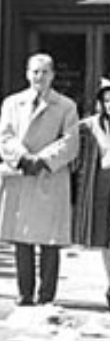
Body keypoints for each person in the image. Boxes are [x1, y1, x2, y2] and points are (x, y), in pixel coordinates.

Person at [0, 53, 79, 307]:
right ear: (28, 74)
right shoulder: (12, 103)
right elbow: (3, 135)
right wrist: (22, 158)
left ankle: (47, 294)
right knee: (22, 238)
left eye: (45, 72)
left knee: (50, 240)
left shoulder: (66, 106)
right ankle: (24, 292)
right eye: (35, 72)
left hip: (50, 176)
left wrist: (43, 160)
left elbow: (71, 142)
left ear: (53, 75)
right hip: (21, 175)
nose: (40, 77)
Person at [71, 79, 110, 311]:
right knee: (105, 239)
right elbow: (69, 141)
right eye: (106, 100)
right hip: (102, 184)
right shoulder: (90, 125)